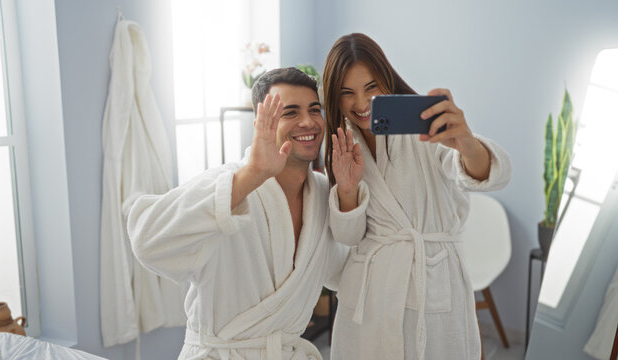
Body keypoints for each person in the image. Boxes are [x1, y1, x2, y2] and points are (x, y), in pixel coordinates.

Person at [127, 67, 368, 360]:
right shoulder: (229, 185)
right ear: (260, 123)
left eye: (314, 109)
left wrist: (348, 194)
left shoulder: (320, 193)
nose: (308, 122)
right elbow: (147, 241)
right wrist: (252, 174)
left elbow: (344, 272)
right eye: (289, 112)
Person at [322, 33, 512, 360]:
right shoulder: (341, 144)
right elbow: (348, 236)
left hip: (431, 280)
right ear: (333, 98)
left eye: (371, 88)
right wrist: (348, 189)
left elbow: (487, 175)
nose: (361, 104)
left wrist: (466, 142)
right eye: (346, 93)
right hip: (369, 294)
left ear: (387, 79)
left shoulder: (423, 127)